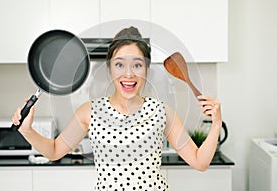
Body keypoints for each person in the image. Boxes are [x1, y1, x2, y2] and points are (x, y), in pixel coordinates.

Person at [12, 26, 222, 190]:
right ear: (110, 68)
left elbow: (199, 162)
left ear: (147, 69)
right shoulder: (90, 111)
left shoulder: (162, 112)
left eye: (137, 65)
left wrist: (216, 123)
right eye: (120, 64)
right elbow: (55, 151)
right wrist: (27, 131)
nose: (128, 74)